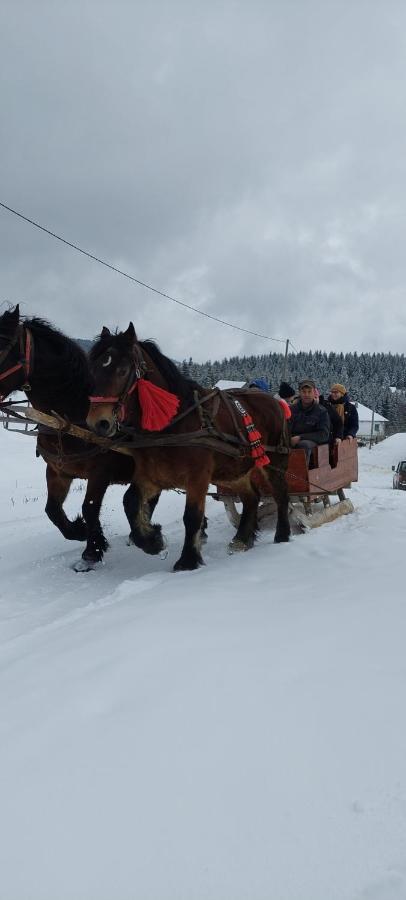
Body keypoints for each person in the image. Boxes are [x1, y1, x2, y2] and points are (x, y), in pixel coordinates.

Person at [290, 378, 330, 463]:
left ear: (314, 393)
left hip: (313, 443)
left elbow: (324, 434)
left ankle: (300, 474)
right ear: (300, 393)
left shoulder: (321, 411)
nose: (306, 394)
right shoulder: (291, 409)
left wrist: (300, 437)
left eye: (309, 391)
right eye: (304, 392)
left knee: (304, 445)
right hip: (291, 439)